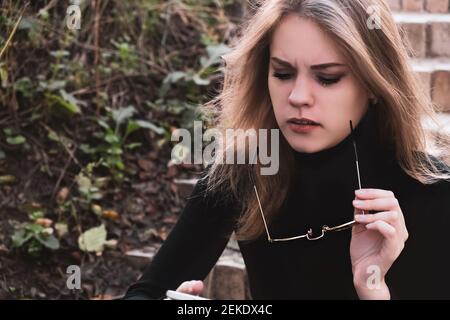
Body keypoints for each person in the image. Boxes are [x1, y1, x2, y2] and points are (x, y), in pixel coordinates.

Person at [123, 0, 450, 300]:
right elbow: (146, 293)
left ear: (374, 84)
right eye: (282, 73)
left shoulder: (432, 193)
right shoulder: (243, 170)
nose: (298, 96)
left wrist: (372, 288)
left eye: (327, 78)